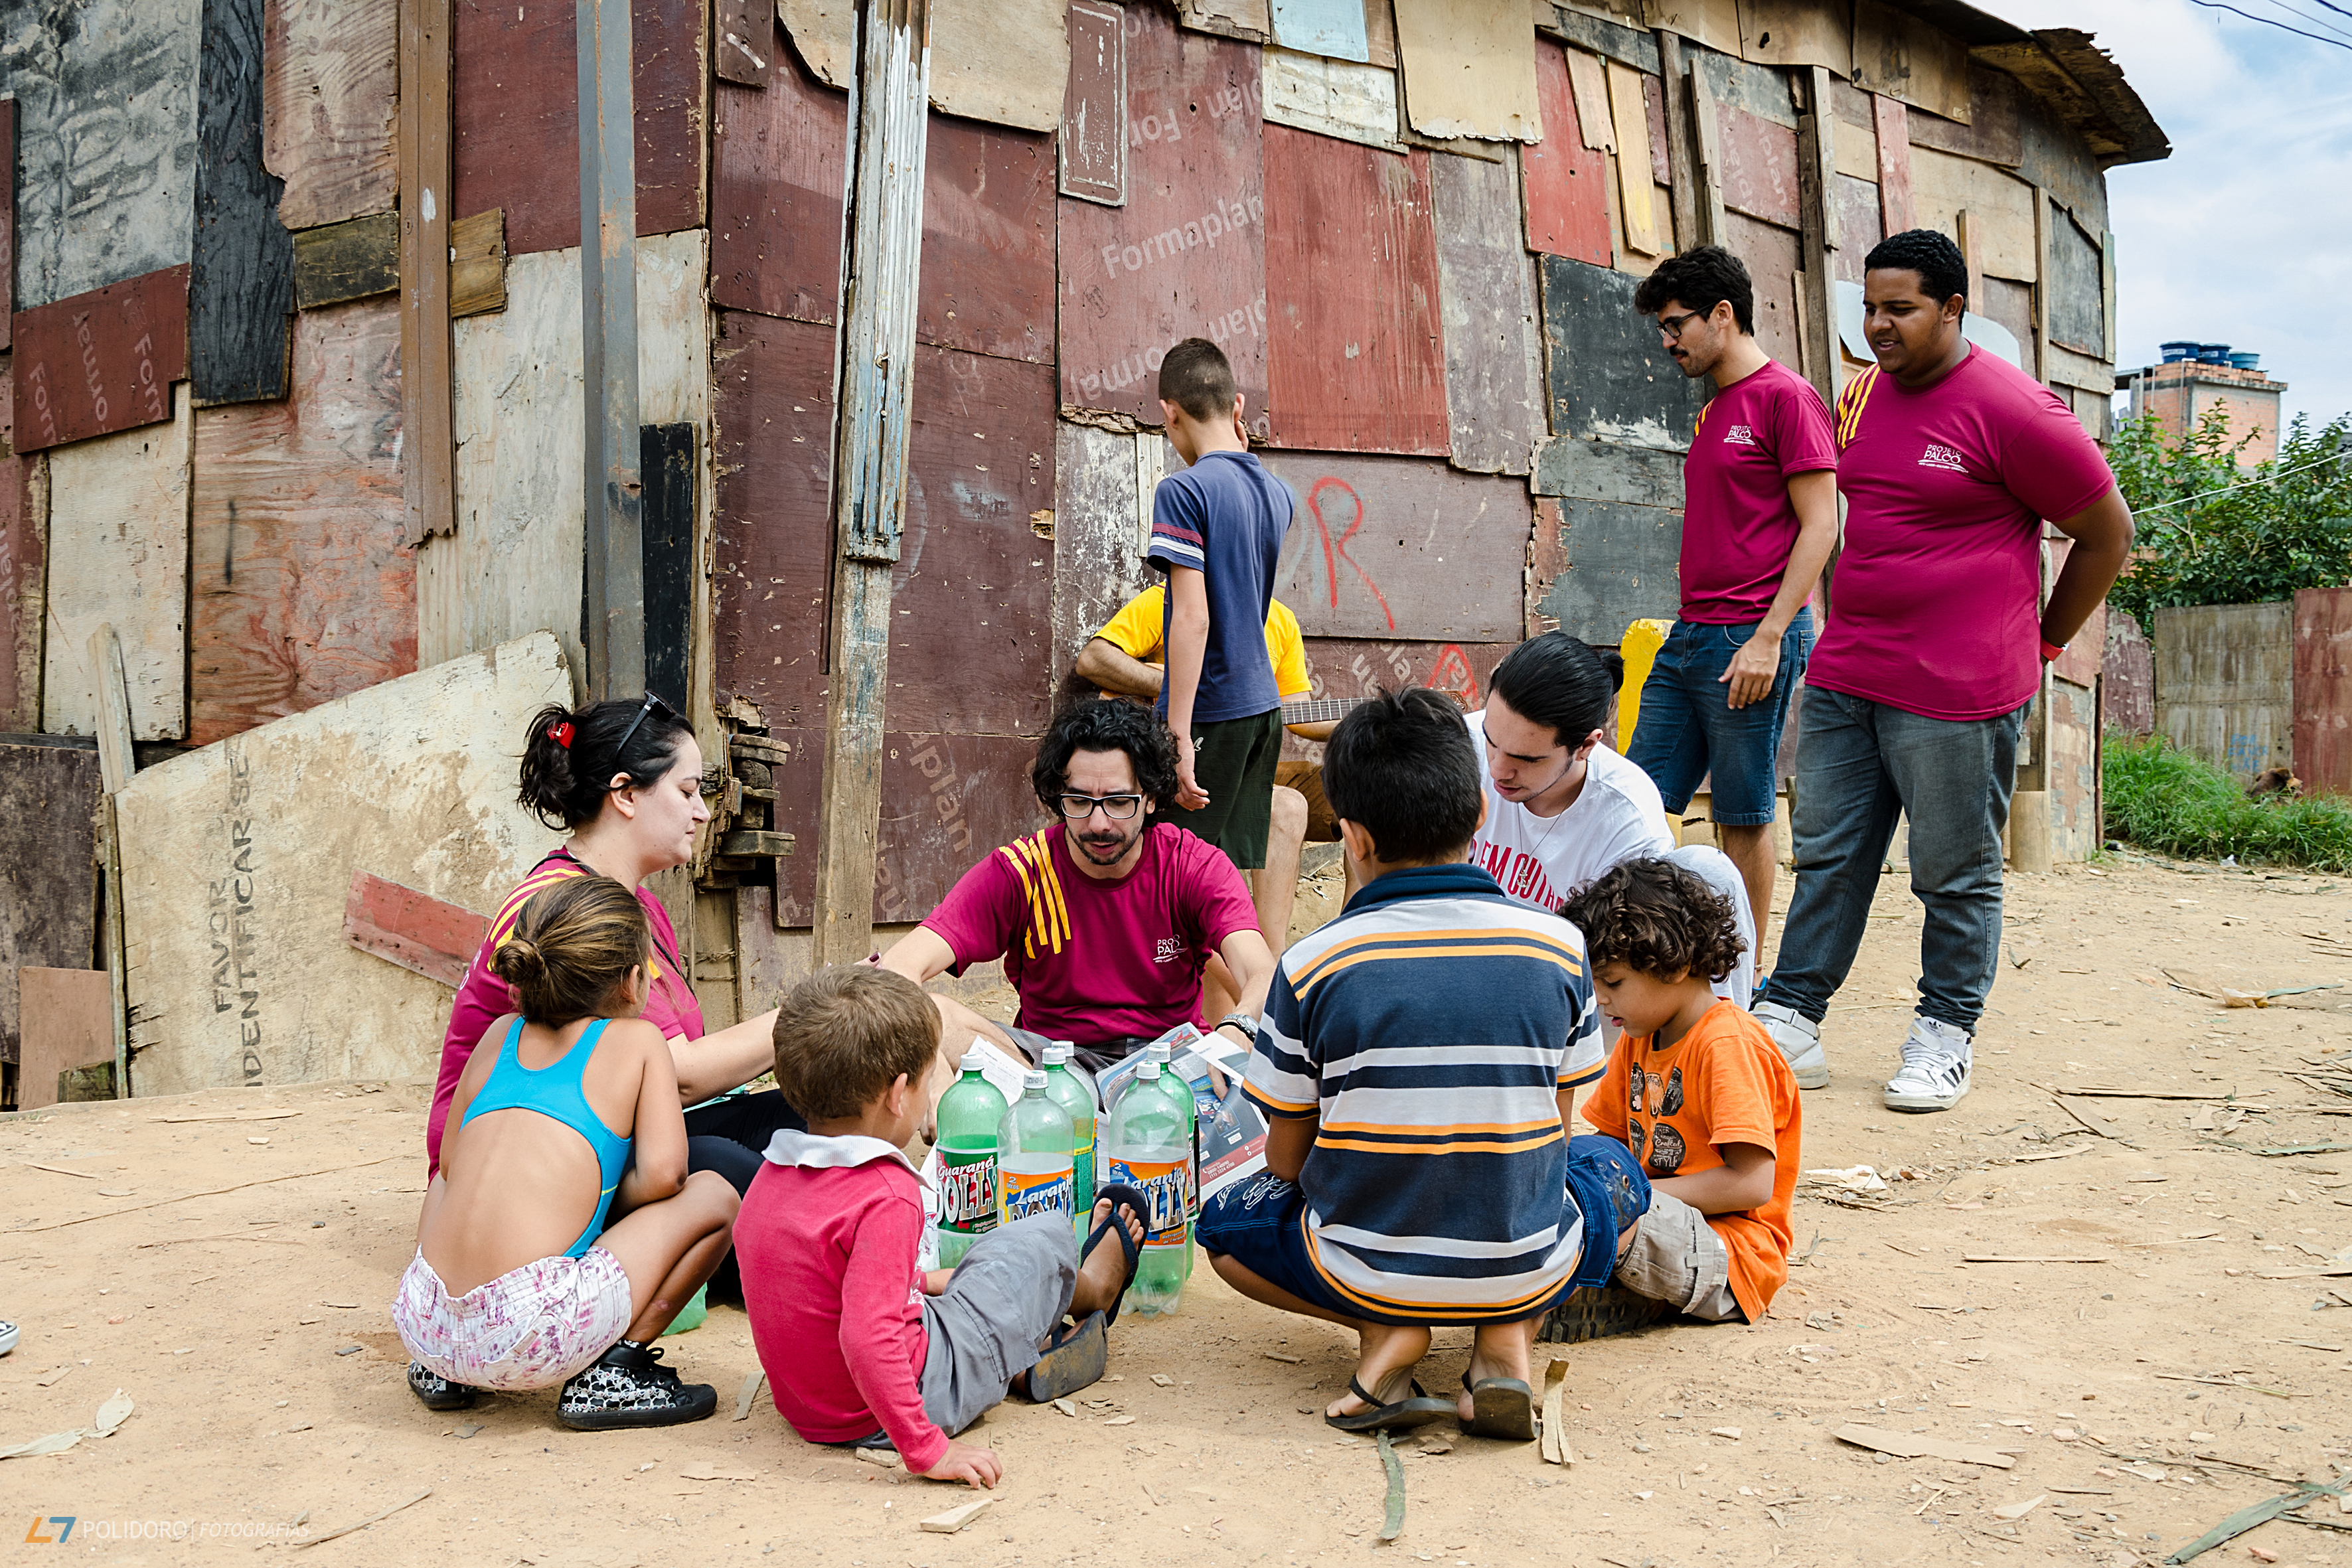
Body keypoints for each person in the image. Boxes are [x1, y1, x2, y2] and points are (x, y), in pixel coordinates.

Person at [1196, 688, 1650, 1439]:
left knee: (1225, 1223)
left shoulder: (1312, 964)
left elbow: (1285, 1158)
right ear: (1477, 812)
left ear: (1352, 837)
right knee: (1611, 1167)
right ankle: (1507, 1342)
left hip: (1360, 1261)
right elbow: (1557, 1136)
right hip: (1524, 1259)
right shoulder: (1559, 945)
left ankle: (1389, 1332)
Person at [1755, 230, 2132, 1112]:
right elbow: (1862, 520)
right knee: (1830, 856)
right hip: (1851, 671)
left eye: (1899, 309)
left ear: (1952, 309)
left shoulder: (2017, 412)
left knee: (1952, 871)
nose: (1876, 326)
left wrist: (2038, 645)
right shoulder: (1857, 398)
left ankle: (1942, 1032)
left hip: (1958, 690)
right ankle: (1791, 1015)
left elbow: (2106, 534)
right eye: (1868, 308)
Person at [426, 696, 797, 1312]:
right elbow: (679, 1078)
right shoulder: (564, 905)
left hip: (595, 1136)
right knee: (729, 1172)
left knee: (808, 1119)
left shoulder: (632, 901)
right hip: (521, 1166)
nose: (703, 813)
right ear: (625, 794)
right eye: (686, 791)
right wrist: (814, 1012)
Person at [734, 966, 1146, 1484]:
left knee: (964, 1272)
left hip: (815, 1412)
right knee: (1039, 1235)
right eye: (931, 1078)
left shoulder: (772, 1174)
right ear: (899, 1093)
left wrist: (917, 1286)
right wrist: (927, 1452)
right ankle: (1093, 1289)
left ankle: (1020, 1354)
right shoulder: (885, 1192)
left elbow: (814, 1288)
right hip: (917, 1397)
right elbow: (868, 1337)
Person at [394, 876, 740, 1428]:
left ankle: (445, 1371)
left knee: (453, 1177)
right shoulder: (639, 1042)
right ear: (633, 981)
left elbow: (451, 1167)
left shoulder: (498, 1033)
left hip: (426, 1326)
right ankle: (615, 1375)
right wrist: (596, 1196)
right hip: (528, 1334)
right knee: (715, 1195)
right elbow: (665, 1176)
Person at [878, 697, 1277, 1101]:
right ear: (1057, 797)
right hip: (1049, 1074)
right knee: (940, 1019)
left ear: (1152, 798)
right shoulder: (1022, 870)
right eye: (1080, 801)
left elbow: (1262, 972)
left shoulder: (1194, 865)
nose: (1099, 824)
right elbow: (897, 969)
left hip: (1171, 1071)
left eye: (1120, 802)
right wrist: (929, 1060)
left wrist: (1239, 1026)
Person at [1628, 246, 1838, 954]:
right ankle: (1641, 952)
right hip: (1692, 632)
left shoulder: (1787, 397)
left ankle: (1741, 974)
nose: (1668, 342)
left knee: (1743, 815)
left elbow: (1823, 522)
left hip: (1751, 633)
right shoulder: (1715, 409)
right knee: (1637, 798)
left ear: (1724, 313)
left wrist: (1772, 635)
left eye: (1676, 324)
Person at [1563, 860, 1800, 1328]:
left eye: (1612, 983)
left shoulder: (1725, 1043)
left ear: (1672, 965)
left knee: (1594, 1200)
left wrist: (1627, 1195)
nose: (1601, 999)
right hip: (1657, 1223)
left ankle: (1603, 1292)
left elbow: (1751, 1184)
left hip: (1730, 1254)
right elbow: (1606, 1146)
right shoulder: (1639, 1034)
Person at [1076, 585, 1338, 994]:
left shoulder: (1280, 620)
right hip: (1173, 769)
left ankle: (1268, 966)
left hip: (1243, 771)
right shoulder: (1168, 601)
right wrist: (1175, 683)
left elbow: (1300, 713)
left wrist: (1370, 717)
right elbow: (1094, 659)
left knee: (1289, 804)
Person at [1150, 337, 1296, 878]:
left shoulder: (1183, 491)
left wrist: (1178, 734)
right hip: (1263, 711)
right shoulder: (1278, 494)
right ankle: (1253, 966)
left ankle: (1222, 968)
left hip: (1213, 706)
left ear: (1170, 412)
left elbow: (1193, 617)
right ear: (1237, 407)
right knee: (1222, 878)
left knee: (1170, 877)